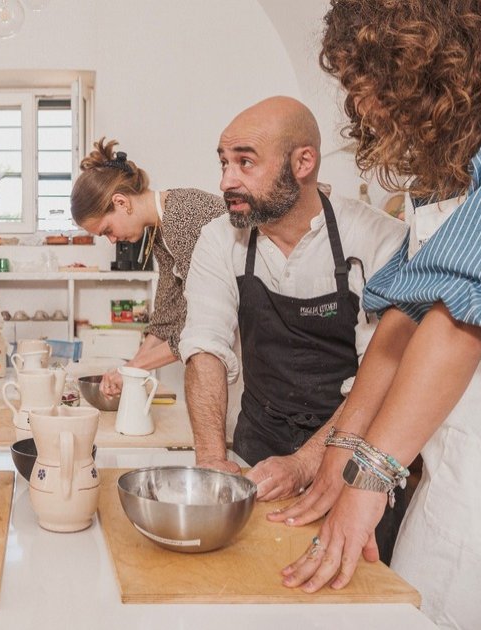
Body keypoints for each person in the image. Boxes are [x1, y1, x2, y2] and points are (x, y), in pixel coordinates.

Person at [279, 2, 481, 625]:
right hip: (451, 466)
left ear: (429, 61)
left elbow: (458, 322)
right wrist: (342, 446)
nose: (362, 105)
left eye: (371, 80)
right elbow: (405, 315)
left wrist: (369, 478)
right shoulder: (448, 166)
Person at [179, 96, 408, 559]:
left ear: (303, 162)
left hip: (352, 457)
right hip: (256, 448)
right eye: (224, 163)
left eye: (245, 162)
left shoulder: (378, 239)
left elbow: (385, 374)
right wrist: (211, 461)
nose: (226, 181)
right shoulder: (220, 239)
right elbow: (204, 347)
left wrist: (305, 463)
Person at [70, 138, 226, 395]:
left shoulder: (182, 217)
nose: (112, 240)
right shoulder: (159, 231)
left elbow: (198, 327)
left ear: (121, 202)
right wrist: (132, 367)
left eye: (107, 230)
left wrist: (132, 369)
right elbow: (166, 317)